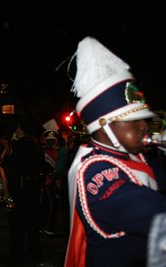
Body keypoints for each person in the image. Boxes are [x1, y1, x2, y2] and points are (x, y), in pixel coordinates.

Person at [65, 37, 166, 267]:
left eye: (144, 119)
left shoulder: (136, 154)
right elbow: (158, 214)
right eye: (132, 120)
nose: (144, 126)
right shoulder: (95, 170)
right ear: (105, 126)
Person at [0, 120, 47, 266]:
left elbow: (12, 171)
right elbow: (43, 168)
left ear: (21, 131)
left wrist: (9, 194)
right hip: (34, 188)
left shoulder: (16, 147)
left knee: (17, 224)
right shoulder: (37, 148)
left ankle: (17, 255)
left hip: (20, 189)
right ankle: (34, 251)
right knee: (33, 222)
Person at [40, 119, 60, 235]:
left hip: (51, 180)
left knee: (47, 204)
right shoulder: (42, 151)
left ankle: (43, 225)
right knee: (52, 204)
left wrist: (56, 179)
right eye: (49, 140)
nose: (51, 142)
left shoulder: (54, 152)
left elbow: (53, 167)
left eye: (53, 140)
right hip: (44, 181)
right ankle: (47, 227)